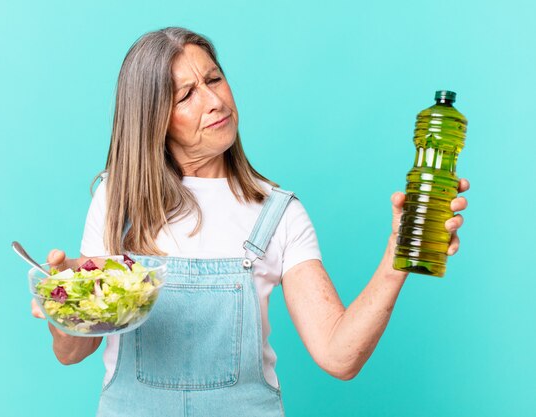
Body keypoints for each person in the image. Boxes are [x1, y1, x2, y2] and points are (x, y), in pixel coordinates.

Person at [31, 27, 470, 417]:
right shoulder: (117, 201)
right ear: (153, 122)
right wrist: (63, 306)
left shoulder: (276, 212)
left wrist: (398, 257)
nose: (215, 100)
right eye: (186, 95)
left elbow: (339, 356)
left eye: (214, 79)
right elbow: (73, 352)